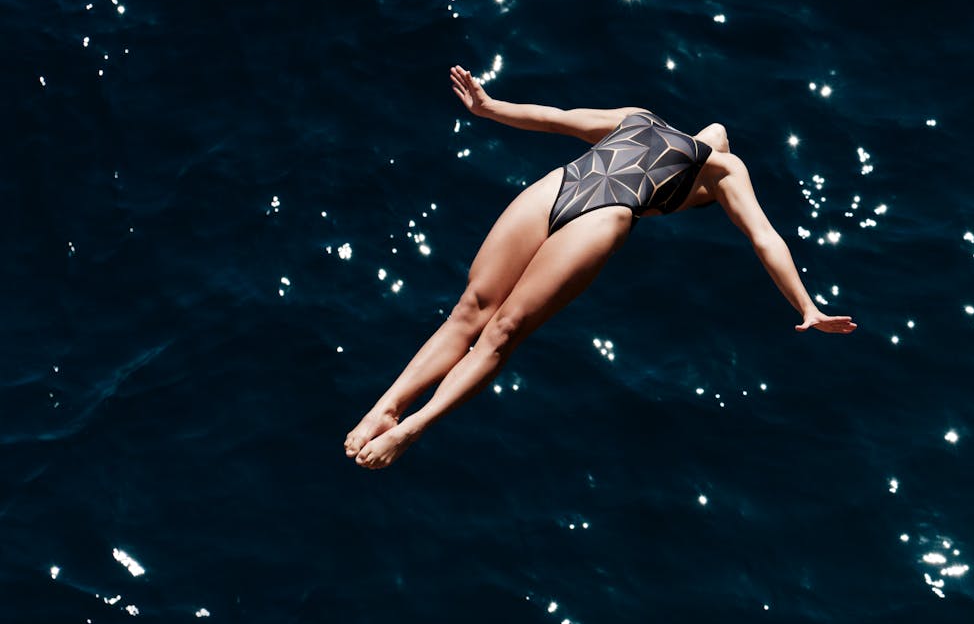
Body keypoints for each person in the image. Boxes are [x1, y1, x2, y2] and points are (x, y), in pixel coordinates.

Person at [345, 66, 856, 469]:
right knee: (501, 332)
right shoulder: (723, 167)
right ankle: (409, 425)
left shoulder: (640, 118)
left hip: (563, 183)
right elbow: (765, 237)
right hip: (605, 214)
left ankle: (387, 410)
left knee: (470, 311)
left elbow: (557, 117)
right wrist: (805, 306)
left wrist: (490, 107)